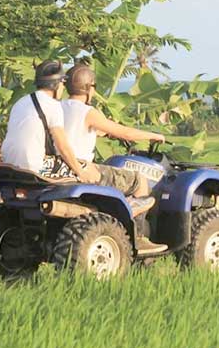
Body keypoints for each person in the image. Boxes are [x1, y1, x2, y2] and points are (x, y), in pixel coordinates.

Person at [62, 63, 168, 255]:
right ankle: (139, 237)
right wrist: (151, 136)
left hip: (61, 168)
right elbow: (125, 132)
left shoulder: (58, 107)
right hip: (83, 169)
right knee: (138, 180)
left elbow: (91, 130)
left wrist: (103, 132)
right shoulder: (88, 112)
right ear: (89, 89)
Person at [0, 60, 99, 183]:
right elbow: (62, 146)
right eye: (62, 83)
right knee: (90, 169)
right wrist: (81, 173)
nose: (63, 88)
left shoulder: (21, 102)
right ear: (56, 84)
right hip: (33, 166)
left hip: (9, 162)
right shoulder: (52, 106)